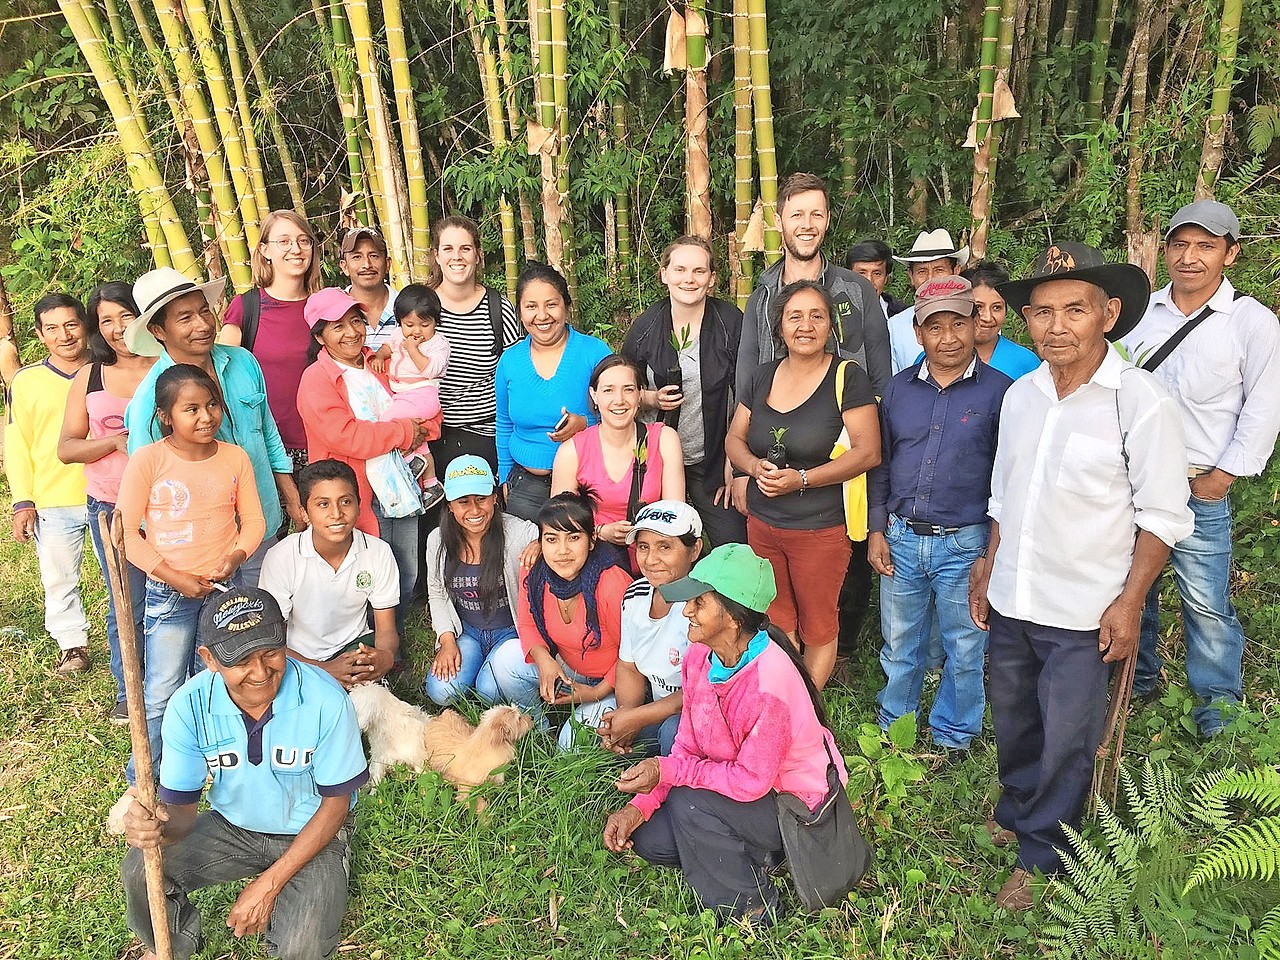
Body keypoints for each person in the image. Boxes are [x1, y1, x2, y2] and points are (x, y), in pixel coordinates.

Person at [969, 243, 1194, 910]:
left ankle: (1043, 856)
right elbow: (1005, 495)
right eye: (1042, 312)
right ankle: (1017, 808)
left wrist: (1130, 604)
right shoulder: (1022, 396)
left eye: (1075, 309)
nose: (1056, 326)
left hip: (1085, 609)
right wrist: (988, 563)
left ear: (1109, 313)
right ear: (1026, 322)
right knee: (1014, 718)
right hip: (1015, 594)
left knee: (1069, 736)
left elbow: (1161, 515)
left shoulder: (1139, 400)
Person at [602, 543, 847, 925]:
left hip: (794, 806)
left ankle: (753, 910)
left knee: (690, 804)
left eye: (698, 603)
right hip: (745, 795)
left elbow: (751, 782)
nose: (686, 611)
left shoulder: (770, 684)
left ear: (733, 618)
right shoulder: (700, 656)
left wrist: (668, 773)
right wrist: (640, 807)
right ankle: (751, 851)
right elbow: (686, 744)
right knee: (652, 840)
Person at [119, 585, 369, 960]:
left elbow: (336, 806)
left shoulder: (326, 700)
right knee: (141, 867)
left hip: (313, 833)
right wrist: (157, 827)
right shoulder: (189, 706)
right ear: (209, 658)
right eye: (240, 660)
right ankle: (173, 946)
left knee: (301, 950)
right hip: (233, 826)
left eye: (271, 652)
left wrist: (268, 885)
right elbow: (182, 814)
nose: (260, 672)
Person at [1119, 200, 1280, 736]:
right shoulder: (1140, 313)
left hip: (1197, 485)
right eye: (1180, 245)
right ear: (1165, 251)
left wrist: (1225, 476)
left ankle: (1218, 707)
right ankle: (1135, 682)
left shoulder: (1251, 323)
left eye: (1206, 246)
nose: (1190, 258)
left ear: (1230, 254)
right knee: (1129, 587)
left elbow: (1263, 406)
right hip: (1133, 483)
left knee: (1205, 599)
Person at [867, 276, 1012, 756]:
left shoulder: (1003, 394)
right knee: (900, 644)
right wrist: (875, 529)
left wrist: (992, 553)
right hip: (902, 536)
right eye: (935, 327)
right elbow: (882, 463)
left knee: (966, 647)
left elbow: (1007, 482)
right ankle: (895, 729)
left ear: (976, 324)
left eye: (958, 324)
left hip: (965, 542)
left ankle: (954, 735)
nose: (947, 338)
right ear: (917, 330)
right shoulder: (897, 390)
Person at [725, 280, 881, 689]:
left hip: (819, 527)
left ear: (831, 327)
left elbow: (867, 452)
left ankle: (807, 711)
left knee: (818, 622)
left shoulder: (848, 377)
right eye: (795, 316)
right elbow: (734, 438)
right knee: (776, 615)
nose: (806, 325)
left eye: (817, 316)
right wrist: (754, 467)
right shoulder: (762, 376)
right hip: (762, 522)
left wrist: (804, 480)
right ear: (780, 327)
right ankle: (785, 693)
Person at [117, 364, 266, 780]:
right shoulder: (149, 459)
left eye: (212, 405)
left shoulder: (234, 457)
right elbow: (126, 534)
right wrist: (170, 574)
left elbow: (253, 521)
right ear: (166, 415)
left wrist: (235, 557)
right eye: (191, 409)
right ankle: (144, 776)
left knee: (214, 682)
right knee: (162, 690)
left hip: (224, 589)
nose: (206, 417)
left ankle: (204, 767)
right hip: (169, 593)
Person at [123, 267, 303, 587]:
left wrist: (291, 496)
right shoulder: (148, 404)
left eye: (205, 311)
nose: (203, 324)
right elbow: (147, 492)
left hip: (261, 523)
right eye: (185, 317)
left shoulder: (244, 361)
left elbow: (268, 431)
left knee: (263, 619)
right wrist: (171, 569)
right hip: (199, 552)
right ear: (158, 330)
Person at [296, 288, 432, 635]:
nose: (352, 332)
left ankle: (393, 645)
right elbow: (346, 436)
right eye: (338, 326)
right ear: (319, 336)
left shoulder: (381, 363)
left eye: (356, 321)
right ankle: (360, 644)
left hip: (400, 484)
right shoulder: (316, 380)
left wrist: (421, 428)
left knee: (403, 565)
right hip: (354, 493)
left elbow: (422, 400)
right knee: (363, 571)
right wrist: (403, 432)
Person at [57, 282, 155, 719]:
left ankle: (182, 684)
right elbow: (67, 447)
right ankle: (128, 688)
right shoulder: (90, 375)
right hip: (113, 506)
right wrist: (113, 442)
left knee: (177, 598)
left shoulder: (166, 366)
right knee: (126, 601)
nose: (117, 329)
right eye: (106, 321)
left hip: (171, 503)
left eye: (125, 316)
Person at [621, 236, 747, 546]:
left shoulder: (731, 323)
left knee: (733, 544)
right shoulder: (645, 328)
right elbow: (620, 391)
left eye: (698, 271)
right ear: (663, 274)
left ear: (712, 278)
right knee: (659, 546)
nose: (688, 279)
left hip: (715, 460)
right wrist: (651, 398)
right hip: (655, 460)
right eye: (679, 269)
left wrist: (737, 462)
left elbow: (749, 394)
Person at [486, 491, 631, 750]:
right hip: (565, 667)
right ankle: (538, 728)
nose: (562, 551)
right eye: (551, 539)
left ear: (591, 540)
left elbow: (632, 655)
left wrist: (596, 693)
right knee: (505, 661)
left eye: (574, 538)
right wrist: (544, 660)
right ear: (540, 542)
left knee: (569, 748)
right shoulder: (534, 573)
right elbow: (528, 623)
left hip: (612, 681)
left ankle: (583, 717)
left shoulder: (612, 582)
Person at [6, 293, 91, 675]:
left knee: (126, 576)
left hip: (110, 493)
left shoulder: (111, 371)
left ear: (84, 325)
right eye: (53, 328)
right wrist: (22, 500)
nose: (65, 335)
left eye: (71, 324)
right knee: (59, 579)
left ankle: (130, 638)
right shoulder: (26, 382)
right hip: (55, 498)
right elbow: (18, 443)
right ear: (40, 335)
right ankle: (72, 645)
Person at [259, 459, 400, 689]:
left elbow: (386, 629)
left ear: (359, 504)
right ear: (305, 513)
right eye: (323, 504)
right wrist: (323, 669)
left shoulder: (378, 552)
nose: (336, 514)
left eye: (345, 502)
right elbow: (270, 642)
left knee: (366, 707)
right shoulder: (282, 557)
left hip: (353, 649)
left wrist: (384, 656)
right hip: (299, 658)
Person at [495, 263, 611, 521]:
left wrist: (585, 423)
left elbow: (621, 411)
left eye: (551, 304)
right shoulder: (510, 361)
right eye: (531, 306)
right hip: (524, 488)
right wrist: (504, 476)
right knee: (526, 558)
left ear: (566, 306)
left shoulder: (595, 353)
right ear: (520, 312)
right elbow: (503, 422)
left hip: (585, 484)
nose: (542, 315)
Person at [423, 455, 538, 705]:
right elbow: (437, 592)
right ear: (450, 505)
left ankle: (492, 671)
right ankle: (479, 667)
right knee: (441, 691)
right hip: (468, 632)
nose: (474, 511)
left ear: (495, 498)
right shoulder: (437, 541)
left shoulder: (518, 532)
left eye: (481, 499)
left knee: (489, 693)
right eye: (463, 502)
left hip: (510, 632)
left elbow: (558, 533)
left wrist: (542, 543)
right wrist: (447, 640)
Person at [218, 210, 324, 470]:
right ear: (265, 250)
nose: (296, 249)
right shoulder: (247, 308)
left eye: (303, 240)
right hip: (265, 449)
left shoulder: (325, 307)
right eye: (284, 241)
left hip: (324, 444)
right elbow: (221, 378)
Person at [597, 500, 703, 757]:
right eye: (643, 547)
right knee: (601, 736)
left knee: (672, 732)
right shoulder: (635, 594)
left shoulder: (704, 605)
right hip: (656, 710)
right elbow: (629, 666)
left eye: (664, 547)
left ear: (695, 549)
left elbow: (697, 691)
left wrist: (635, 718)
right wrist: (625, 717)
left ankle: (680, 792)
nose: (651, 559)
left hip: (702, 714)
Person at [551, 354, 684, 549]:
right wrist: (601, 532)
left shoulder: (664, 440)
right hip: (595, 555)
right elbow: (560, 523)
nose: (619, 400)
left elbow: (675, 516)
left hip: (651, 555)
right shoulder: (572, 451)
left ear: (640, 394)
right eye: (608, 390)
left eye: (628, 390)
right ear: (594, 395)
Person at [428, 215, 524, 470]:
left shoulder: (498, 308)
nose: (457, 257)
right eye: (448, 248)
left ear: (478, 255)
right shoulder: (422, 308)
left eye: (465, 248)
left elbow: (515, 374)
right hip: (432, 437)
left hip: (488, 435)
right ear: (436, 255)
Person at [370, 283, 450, 508]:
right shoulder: (399, 335)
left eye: (424, 325)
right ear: (400, 322)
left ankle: (409, 460)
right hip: (403, 395)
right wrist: (379, 355)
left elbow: (431, 370)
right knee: (420, 441)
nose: (416, 331)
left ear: (436, 322)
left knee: (386, 422)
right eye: (409, 325)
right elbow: (389, 346)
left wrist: (413, 350)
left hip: (422, 395)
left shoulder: (439, 344)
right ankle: (432, 484)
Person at [887, 229, 970, 375]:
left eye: (939, 270)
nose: (930, 279)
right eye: (922, 271)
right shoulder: (894, 327)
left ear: (956, 271)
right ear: (911, 276)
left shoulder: (973, 317)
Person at [959, 261, 1040, 380]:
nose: (987, 317)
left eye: (997, 307)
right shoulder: (935, 358)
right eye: (978, 307)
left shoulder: (1026, 363)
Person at [339, 225, 400, 351]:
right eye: (357, 257)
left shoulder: (408, 307)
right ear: (344, 267)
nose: (367, 265)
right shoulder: (334, 312)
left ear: (387, 264)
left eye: (374, 256)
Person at [847, 239, 909, 319]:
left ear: (886, 277)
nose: (869, 280)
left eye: (877, 274)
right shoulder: (833, 312)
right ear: (848, 276)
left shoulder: (902, 315)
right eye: (862, 273)